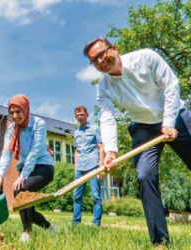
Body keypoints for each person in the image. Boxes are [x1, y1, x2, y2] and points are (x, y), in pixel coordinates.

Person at [84, 37, 191, 245]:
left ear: (114, 48)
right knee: (145, 175)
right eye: (93, 61)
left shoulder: (146, 57)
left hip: (175, 114)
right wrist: (110, 152)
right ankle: (160, 241)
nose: (99, 62)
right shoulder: (103, 88)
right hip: (143, 128)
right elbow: (107, 119)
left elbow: (171, 85)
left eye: (101, 54)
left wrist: (169, 121)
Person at [0, 94, 56, 243]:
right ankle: (51, 228)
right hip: (26, 169)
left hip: (43, 166)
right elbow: (6, 154)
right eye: (12, 112)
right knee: (28, 209)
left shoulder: (38, 124)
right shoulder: (11, 130)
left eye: (18, 111)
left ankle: (27, 232)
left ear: (26, 109)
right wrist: (0, 175)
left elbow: (35, 151)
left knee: (20, 190)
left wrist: (23, 176)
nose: (15, 116)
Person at [72, 106, 104, 226]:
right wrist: (75, 170)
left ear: (87, 115)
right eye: (77, 116)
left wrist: (101, 168)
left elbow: (101, 148)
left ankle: (96, 224)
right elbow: (76, 151)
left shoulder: (95, 129)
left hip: (93, 166)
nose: (80, 117)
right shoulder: (76, 133)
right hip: (80, 168)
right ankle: (76, 223)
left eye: (82, 114)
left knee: (96, 197)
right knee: (76, 196)